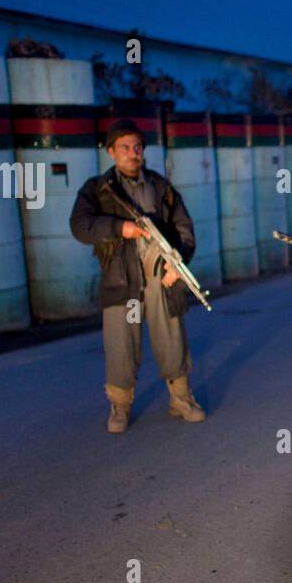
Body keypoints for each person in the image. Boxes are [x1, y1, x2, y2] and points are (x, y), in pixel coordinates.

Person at [69, 118, 205, 433]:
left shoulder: (159, 186)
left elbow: (184, 227)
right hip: (122, 278)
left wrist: (179, 261)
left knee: (171, 335)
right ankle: (120, 407)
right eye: (126, 147)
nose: (133, 153)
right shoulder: (97, 189)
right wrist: (121, 228)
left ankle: (181, 398)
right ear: (112, 152)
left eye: (138, 147)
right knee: (121, 343)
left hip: (160, 276)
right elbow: (80, 226)